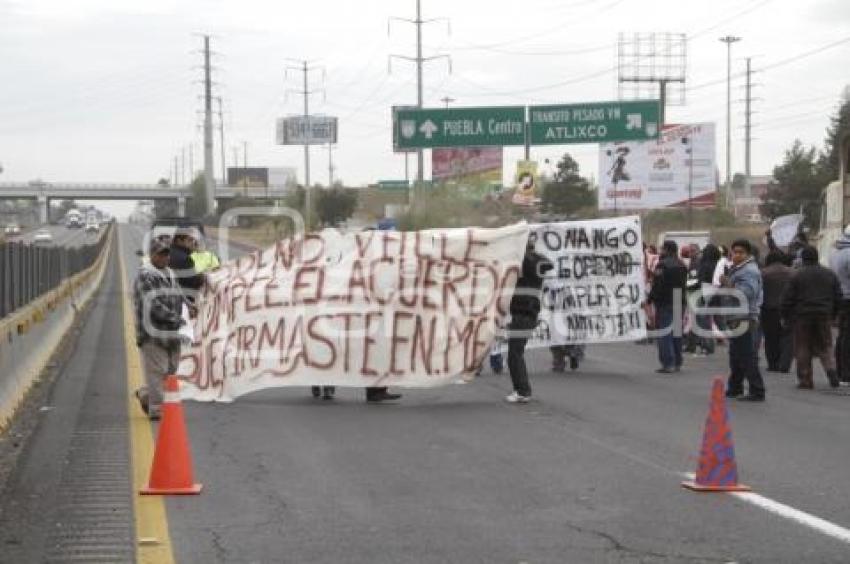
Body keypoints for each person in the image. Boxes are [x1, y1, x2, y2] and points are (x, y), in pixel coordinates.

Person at [133, 238, 186, 420]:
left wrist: (189, 306)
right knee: (157, 371)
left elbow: (178, 293)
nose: (165, 257)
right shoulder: (145, 276)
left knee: (170, 371)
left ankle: (145, 395)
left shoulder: (169, 273)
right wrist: (176, 318)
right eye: (161, 254)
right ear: (152, 255)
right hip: (152, 334)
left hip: (172, 334)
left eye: (167, 253)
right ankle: (156, 409)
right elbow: (153, 304)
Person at [782, 246, 841, 390]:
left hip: (802, 315)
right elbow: (838, 296)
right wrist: (833, 314)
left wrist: (785, 315)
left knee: (803, 347)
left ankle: (805, 379)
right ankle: (831, 369)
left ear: (803, 258)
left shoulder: (796, 275)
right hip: (824, 314)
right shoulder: (830, 274)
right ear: (817, 257)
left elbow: (787, 298)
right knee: (825, 344)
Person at [505, 240, 553, 403]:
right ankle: (522, 390)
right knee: (516, 353)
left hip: (523, 313)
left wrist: (524, 253)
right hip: (528, 313)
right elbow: (548, 263)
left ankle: (523, 391)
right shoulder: (537, 264)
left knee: (514, 354)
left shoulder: (526, 265)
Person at [722, 239, 766, 402]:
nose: (737, 255)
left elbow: (747, 293)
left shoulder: (749, 271)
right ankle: (735, 387)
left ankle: (757, 389)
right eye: (735, 252)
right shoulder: (739, 269)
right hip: (736, 316)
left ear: (748, 254)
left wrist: (728, 285)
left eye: (741, 252)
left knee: (746, 355)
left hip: (744, 317)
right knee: (736, 355)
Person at [648, 240, 688, 374]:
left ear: (666, 250)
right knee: (677, 333)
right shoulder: (682, 264)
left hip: (666, 301)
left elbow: (658, 285)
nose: (660, 251)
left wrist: (650, 299)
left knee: (665, 333)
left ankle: (668, 363)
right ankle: (677, 361)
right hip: (679, 299)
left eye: (662, 249)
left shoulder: (662, 265)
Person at [761, 251, 794, 373]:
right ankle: (785, 363)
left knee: (770, 338)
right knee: (787, 337)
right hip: (788, 309)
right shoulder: (792, 272)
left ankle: (773, 363)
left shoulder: (763, 273)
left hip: (768, 309)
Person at [829, 225, 850, 386]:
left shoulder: (835, 252)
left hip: (840, 298)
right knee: (847, 337)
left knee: (843, 336)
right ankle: (846, 373)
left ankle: (840, 371)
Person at [695, 243, 721, 355]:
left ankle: (707, 345)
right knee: (720, 321)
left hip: (706, 292)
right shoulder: (719, 264)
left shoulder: (704, 265)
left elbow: (701, 280)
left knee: (703, 321)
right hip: (719, 294)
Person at [169, 227, 205, 297]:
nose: (193, 243)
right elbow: (194, 282)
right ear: (179, 241)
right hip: (183, 298)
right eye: (190, 240)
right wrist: (202, 276)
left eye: (193, 240)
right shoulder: (184, 258)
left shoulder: (170, 252)